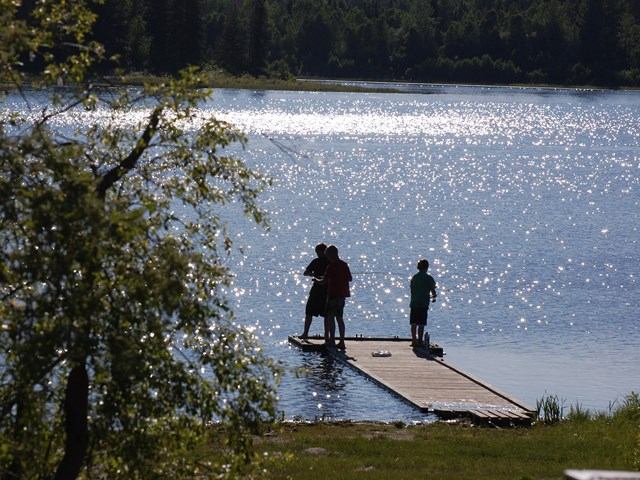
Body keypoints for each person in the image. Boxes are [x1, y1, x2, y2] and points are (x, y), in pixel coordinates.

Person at [323, 245, 352, 350]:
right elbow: (350, 278)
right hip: (342, 296)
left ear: (331, 255)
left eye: (328, 256)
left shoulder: (331, 266)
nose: (327, 258)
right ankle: (342, 341)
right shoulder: (344, 265)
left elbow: (324, 281)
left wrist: (316, 279)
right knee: (339, 318)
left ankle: (332, 340)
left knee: (330, 318)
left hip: (333, 295)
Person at [301, 243, 329, 338]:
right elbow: (305, 273)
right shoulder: (320, 261)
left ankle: (307, 333)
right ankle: (306, 333)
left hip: (322, 290)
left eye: (318, 252)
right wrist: (313, 274)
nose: (317, 254)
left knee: (323, 314)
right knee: (310, 311)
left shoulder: (322, 261)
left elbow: (306, 273)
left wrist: (312, 274)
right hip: (321, 290)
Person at [409, 259, 437, 348]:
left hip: (414, 303)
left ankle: (414, 341)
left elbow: (412, 289)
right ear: (427, 267)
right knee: (421, 324)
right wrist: (434, 297)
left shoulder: (414, 277)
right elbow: (433, 291)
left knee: (413, 323)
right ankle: (420, 341)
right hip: (423, 304)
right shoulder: (429, 278)